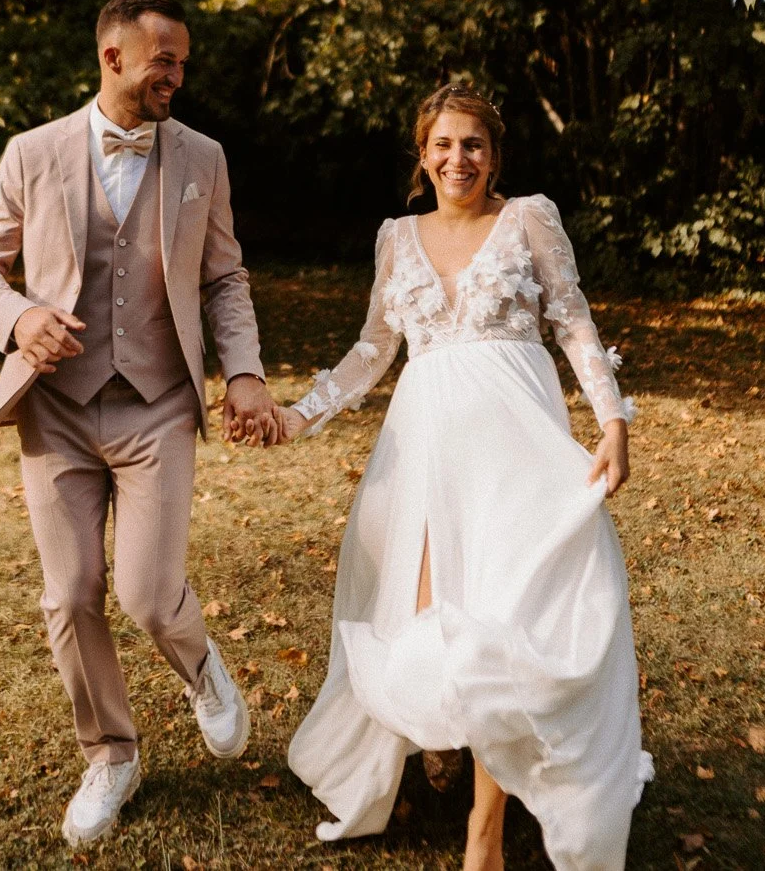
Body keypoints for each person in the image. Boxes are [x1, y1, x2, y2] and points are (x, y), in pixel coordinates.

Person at [267, 83, 652, 871]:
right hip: (427, 450)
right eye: (443, 144)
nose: (458, 158)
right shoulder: (396, 237)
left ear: (494, 155)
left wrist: (612, 421)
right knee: (442, 621)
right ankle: (451, 741)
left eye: (473, 143)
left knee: (510, 618)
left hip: (517, 449)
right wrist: (300, 414)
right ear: (423, 154)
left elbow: (573, 320)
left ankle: (486, 829)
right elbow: (374, 348)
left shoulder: (529, 218)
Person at [0, 0, 283, 846]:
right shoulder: (32, 153)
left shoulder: (203, 156)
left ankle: (201, 668)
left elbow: (224, 277)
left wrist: (245, 372)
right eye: (164, 60)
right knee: (70, 594)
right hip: (56, 409)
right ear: (113, 57)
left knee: (146, 592)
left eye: (182, 62)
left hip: (158, 403)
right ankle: (111, 754)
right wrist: (20, 316)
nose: (177, 76)